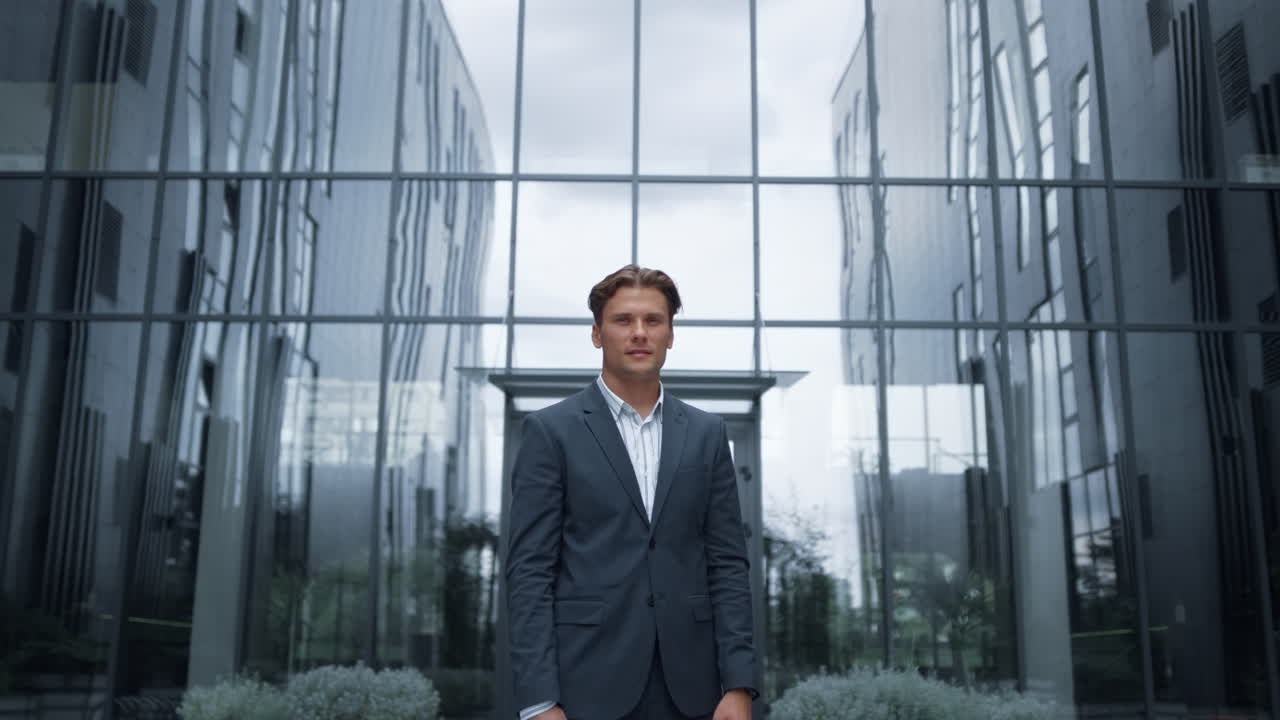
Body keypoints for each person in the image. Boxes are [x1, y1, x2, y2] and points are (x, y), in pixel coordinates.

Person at [506, 265, 758, 720]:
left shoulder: (707, 434)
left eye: (653, 320)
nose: (639, 332)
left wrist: (739, 683)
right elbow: (530, 573)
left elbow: (727, 566)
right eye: (623, 320)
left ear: (670, 335)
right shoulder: (551, 432)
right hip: (585, 686)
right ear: (597, 333)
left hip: (692, 690)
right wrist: (540, 700)